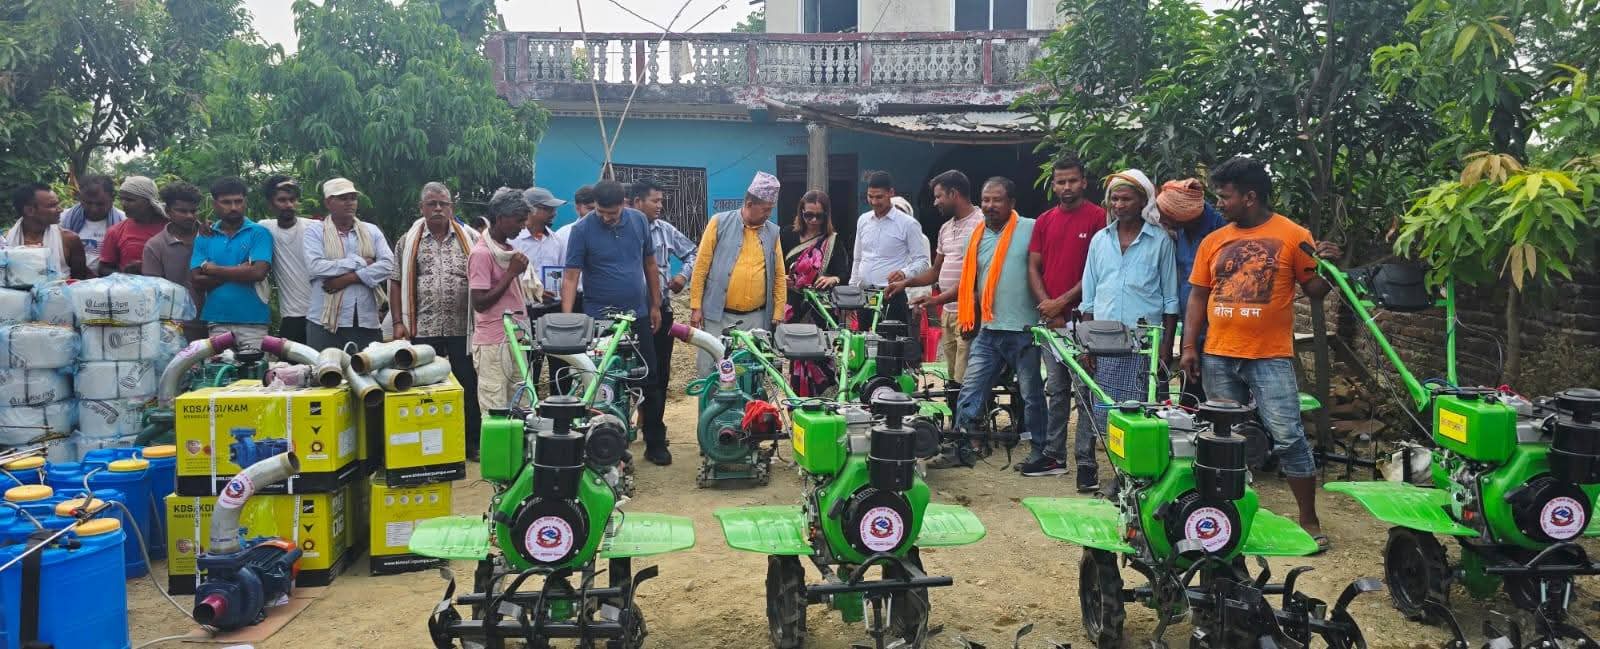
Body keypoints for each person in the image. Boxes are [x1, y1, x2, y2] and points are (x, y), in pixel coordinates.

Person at [1179, 156, 1341, 552]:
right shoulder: (1214, 240)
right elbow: (1198, 295)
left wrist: (1330, 265)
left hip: (1270, 356)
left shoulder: (1293, 235)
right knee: (1224, 441)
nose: (1220, 204)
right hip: (1218, 355)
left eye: (1225, 196)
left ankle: (1308, 519)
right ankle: (1226, 520)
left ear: (1250, 197)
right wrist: (1189, 346)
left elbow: (1315, 290)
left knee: (1288, 437)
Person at [1048, 170, 1179, 487]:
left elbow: (1170, 299)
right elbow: (1090, 297)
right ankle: (1089, 468)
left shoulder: (1160, 241)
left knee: (1138, 409)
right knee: (1097, 404)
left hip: (1143, 341)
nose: (1119, 205)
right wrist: (1087, 343)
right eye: (1115, 199)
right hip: (1103, 338)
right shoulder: (1100, 240)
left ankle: (1133, 475)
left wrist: (1165, 348)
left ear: (1143, 201)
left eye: (1126, 199)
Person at [935, 177, 1044, 469]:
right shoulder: (976, 236)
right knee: (970, 390)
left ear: (1012, 203)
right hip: (989, 330)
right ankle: (963, 447)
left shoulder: (1031, 229)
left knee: (1031, 394)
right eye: (985, 200)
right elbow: (971, 283)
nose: (990, 205)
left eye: (997, 200)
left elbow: (1044, 269)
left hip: (1024, 329)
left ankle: (1041, 451)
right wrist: (969, 316)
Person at [561, 180, 665, 464]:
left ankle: (655, 442)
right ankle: (607, 444)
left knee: (649, 379)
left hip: (637, 316)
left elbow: (650, 264)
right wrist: (568, 320)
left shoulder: (639, 221)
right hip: (601, 320)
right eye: (601, 212)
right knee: (603, 380)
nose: (607, 218)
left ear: (624, 204)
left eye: (613, 213)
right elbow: (571, 276)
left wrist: (655, 305)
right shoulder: (582, 230)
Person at [1025, 156, 1107, 483]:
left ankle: (1086, 463)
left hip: (1084, 320)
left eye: (1072, 180)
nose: (1067, 187)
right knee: (1056, 390)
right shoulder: (1044, 220)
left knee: (1085, 392)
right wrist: (1048, 306)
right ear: (1054, 184)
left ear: (1084, 182)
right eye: (1061, 181)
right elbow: (1033, 266)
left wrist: (1061, 303)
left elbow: (1097, 271)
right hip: (1051, 321)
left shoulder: (1099, 218)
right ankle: (1053, 456)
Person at [391, 181, 483, 457]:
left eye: (444, 203)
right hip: (423, 327)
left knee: (467, 385)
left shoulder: (471, 238)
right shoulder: (408, 241)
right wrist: (397, 322)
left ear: (452, 207)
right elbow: (396, 281)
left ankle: (471, 443)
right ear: (422, 207)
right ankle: (430, 447)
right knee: (425, 387)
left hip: (462, 328)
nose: (438, 209)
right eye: (432, 204)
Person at [689, 172, 786, 376]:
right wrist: (696, 306)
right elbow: (701, 266)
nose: (769, 214)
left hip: (757, 318)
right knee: (710, 370)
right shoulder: (719, 222)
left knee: (752, 371)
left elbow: (779, 275)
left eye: (771, 209)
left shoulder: (773, 232)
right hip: (718, 315)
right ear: (750, 204)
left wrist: (778, 312)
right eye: (766, 209)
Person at [893, 170, 982, 390]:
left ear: (954, 194)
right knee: (952, 375)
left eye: (939, 196)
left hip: (971, 311)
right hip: (949, 312)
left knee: (965, 377)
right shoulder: (946, 228)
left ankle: (968, 412)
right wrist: (905, 283)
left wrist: (936, 299)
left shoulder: (981, 224)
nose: (935, 202)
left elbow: (975, 278)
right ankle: (955, 410)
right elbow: (934, 271)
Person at [635, 179, 696, 449]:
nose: (660, 205)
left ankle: (654, 436)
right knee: (625, 373)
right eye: (655, 200)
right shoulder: (622, 230)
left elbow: (693, 252)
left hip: (660, 312)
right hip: (627, 314)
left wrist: (683, 276)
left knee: (659, 374)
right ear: (638, 202)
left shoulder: (665, 230)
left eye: (661, 200)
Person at [1157, 177, 1228, 406]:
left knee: (1218, 398)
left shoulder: (1220, 231)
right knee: (1191, 395)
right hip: (1191, 328)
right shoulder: (1181, 230)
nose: (1161, 220)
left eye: (1166, 216)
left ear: (1183, 215)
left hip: (1216, 330)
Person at [469, 188, 532, 436]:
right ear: (500, 218)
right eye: (519, 220)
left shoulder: (505, 249)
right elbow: (479, 302)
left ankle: (519, 456)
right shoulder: (482, 254)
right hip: (493, 343)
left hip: (514, 337)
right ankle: (498, 459)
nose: (523, 226)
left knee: (522, 404)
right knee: (495, 410)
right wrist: (511, 273)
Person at [305, 177, 395, 351]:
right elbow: (316, 267)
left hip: (366, 320)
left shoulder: (371, 230)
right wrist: (360, 262)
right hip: (324, 321)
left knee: (367, 367)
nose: (350, 203)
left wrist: (347, 279)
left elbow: (389, 265)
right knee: (324, 367)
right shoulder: (315, 231)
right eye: (343, 198)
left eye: (353, 198)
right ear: (328, 202)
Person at [190, 177, 274, 352]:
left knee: (254, 369)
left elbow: (258, 273)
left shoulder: (258, 233)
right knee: (221, 368)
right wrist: (241, 270)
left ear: (245, 202)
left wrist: (213, 269)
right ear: (215, 204)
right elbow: (197, 280)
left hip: (253, 321)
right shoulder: (205, 235)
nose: (234, 207)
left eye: (238, 201)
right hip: (217, 319)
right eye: (226, 202)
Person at [781, 190, 850, 396]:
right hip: (795, 307)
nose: (813, 220)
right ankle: (799, 403)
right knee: (798, 356)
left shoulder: (833, 240)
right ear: (801, 213)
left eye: (818, 216)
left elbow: (844, 273)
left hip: (821, 308)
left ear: (826, 215)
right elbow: (774, 266)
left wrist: (833, 279)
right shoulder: (787, 235)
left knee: (821, 357)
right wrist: (781, 279)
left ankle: (825, 400)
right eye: (808, 215)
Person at [513, 186, 571, 389]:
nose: (554, 213)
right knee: (528, 367)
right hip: (524, 312)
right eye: (548, 209)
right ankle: (530, 404)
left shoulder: (556, 241)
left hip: (552, 310)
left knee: (560, 366)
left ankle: (560, 404)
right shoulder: (514, 241)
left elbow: (564, 274)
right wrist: (533, 292)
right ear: (531, 210)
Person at [852, 171, 929, 324]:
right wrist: (852, 289)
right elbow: (858, 258)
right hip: (865, 295)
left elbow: (922, 261)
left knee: (891, 339)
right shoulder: (863, 220)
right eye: (870, 196)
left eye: (879, 197)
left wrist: (904, 273)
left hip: (892, 294)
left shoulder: (908, 224)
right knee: (862, 338)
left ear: (891, 193)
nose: (874, 202)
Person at [143, 182, 208, 340]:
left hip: (216, 323)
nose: (189, 216)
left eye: (193, 211)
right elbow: (153, 292)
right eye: (182, 211)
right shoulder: (155, 246)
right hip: (175, 329)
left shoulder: (211, 236)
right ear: (167, 211)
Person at [258, 176, 315, 345]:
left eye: (292, 199)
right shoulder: (264, 228)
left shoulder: (314, 228)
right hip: (292, 315)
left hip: (322, 314)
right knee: (289, 362)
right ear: (270, 204)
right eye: (282, 200)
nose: (289, 204)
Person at [5, 183, 90, 279]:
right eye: (52, 205)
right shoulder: (5, 242)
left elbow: (79, 282)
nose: (60, 210)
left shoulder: (70, 240)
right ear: (30, 210)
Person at [99, 176, 169, 275]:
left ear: (148, 201)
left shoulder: (171, 228)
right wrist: (126, 273)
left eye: (130, 200)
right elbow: (103, 268)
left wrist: (149, 267)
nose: (123, 203)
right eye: (121, 199)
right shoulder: (115, 231)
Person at [61, 174, 123, 273]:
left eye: (100, 204)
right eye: (88, 203)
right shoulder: (63, 219)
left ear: (112, 199)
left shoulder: (123, 222)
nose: (94, 209)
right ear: (80, 198)